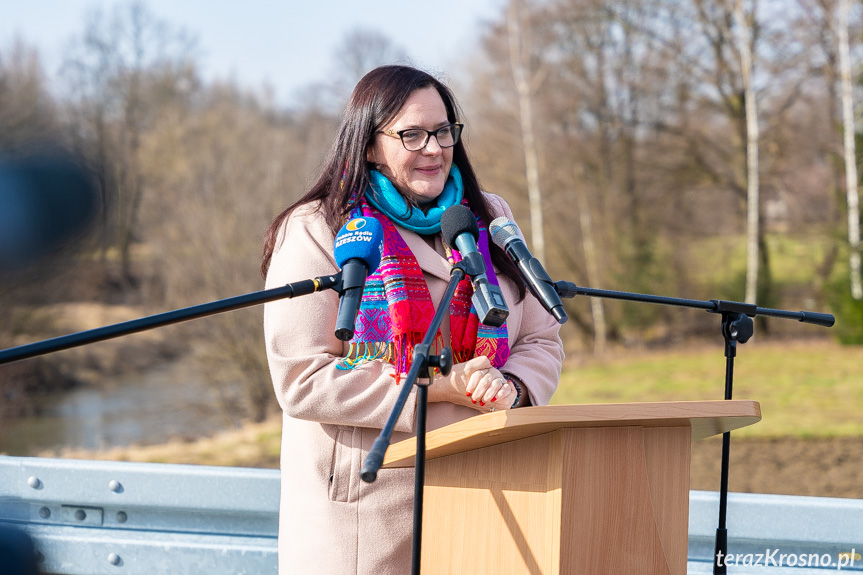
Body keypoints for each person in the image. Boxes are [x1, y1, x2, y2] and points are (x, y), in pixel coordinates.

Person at [261, 65, 564, 574]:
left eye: (443, 131)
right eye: (412, 134)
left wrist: (510, 387)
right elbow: (301, 378)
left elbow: (541, 338)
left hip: (491, 495)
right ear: (369, 145)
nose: (433, 147)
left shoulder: (486, 216)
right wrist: (441, 385)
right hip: (370, 514)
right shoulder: (318, 228)